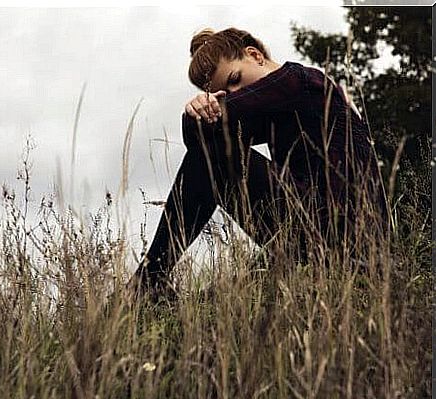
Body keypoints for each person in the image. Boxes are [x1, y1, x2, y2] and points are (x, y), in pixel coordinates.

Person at [132, 27, 388, 299]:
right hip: (322, 238)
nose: (235, 93)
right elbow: (200, 141)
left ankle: (148, 280)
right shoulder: (290, 102)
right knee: (215, 300)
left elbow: (207, 144)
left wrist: (198, 112)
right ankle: (152, 283)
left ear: (254, 55)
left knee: (216, 153)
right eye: (224, 92)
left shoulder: (296, 81)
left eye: (235, 79)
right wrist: (201, 113)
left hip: (343, 238)